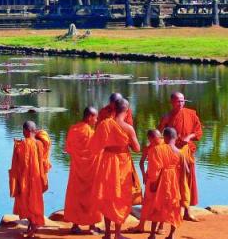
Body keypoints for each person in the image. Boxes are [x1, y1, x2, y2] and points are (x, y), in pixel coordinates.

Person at [91, 98, 140, 239]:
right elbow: (137, 149)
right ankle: (117, 234)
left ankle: (107, 234)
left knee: (108, 197)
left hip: (107, 162)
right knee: (120, 197)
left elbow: (95, 147)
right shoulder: (128, 128)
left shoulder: (104, 124)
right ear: (127, 110)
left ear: (113, 109)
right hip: (122, 163)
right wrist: (128, 142)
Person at [157, 92, 202, 221]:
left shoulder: (191, 114)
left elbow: (198, 131)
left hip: (186, 151)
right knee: (173, 182)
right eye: (178, 101)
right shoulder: (167, 116)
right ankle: (169, 212)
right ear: (172, 102)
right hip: (172, 152)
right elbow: (158, 133)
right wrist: (163, 123)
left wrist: (189, 136)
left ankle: (187, 211)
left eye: (182, 101)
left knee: (187, 180)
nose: (181, 103)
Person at [9, 121, 51, 239]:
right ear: (34, 130)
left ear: (25, 131)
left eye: (23, 130)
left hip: (24, 179)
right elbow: (44, 160)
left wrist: (14, 178)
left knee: (25, 201)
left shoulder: (20, 145)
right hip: (37, 178)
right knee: (34, 201)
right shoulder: (39, 144)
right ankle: (33, 224)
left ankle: (33, 226)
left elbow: (16, 165)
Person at [64, 107, 101, 235]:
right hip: (90, 171)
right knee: (92, 196)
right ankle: (92, 226)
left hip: (76, 170)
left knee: (76, 196)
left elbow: (68, 149)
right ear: (90, 117)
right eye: (95, 117)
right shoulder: (91, 133)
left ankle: (75, 225)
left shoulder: (73, 129)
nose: (96, 120)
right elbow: (97, 151)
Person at [146, 127, 188, 239]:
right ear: (176, 137)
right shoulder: (180, 152)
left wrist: (153, 182)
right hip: (174, 182)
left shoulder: (158, 149)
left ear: (164, 137)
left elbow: (154, 169)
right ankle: (171, 235)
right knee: (174, 207)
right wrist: (182, 186)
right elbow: (185, 171)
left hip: (161, 181)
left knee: (157, 205)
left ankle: (152, 234)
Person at [129, 129, 163, 235]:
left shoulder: (165, 146)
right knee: (147, 202)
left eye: (160, 138)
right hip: (151, 177)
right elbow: (141, 162)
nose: (159, 140)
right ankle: (141, 225)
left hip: (163, 179)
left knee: (161, 202)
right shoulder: (148, 148)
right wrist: (143, 174)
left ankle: (160, 227)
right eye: (156, 138)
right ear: (150, 139)